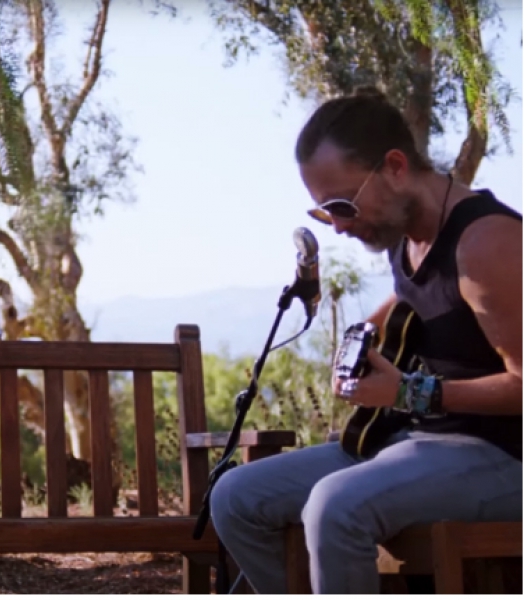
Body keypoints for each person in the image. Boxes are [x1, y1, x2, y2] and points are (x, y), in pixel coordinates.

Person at [209, 88, 522, 594]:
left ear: (395, 166)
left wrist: (412, 392)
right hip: (417, 442)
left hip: (504, 457)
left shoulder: (489, 243)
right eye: (323, 214)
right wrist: (363, 338)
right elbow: (423, 297)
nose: (337, 226)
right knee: (235, 496)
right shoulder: (409, 236)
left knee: (336, 506)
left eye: (341, 205)